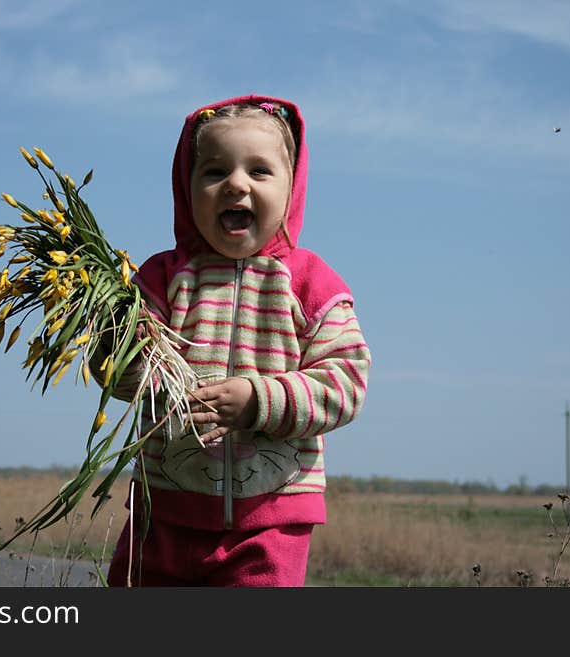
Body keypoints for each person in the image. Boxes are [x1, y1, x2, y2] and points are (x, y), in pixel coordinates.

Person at [102, 94, 371, 587]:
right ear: (186, 189)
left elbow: (345, 384)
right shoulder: (163, 278)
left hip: (270, 520)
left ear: (292, 188)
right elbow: (116, 371)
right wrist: (127, 352)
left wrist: (258, 400)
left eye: (260, 171)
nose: (236, 184)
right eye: (214, 171)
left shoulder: (311, 283)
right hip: (163, 512)